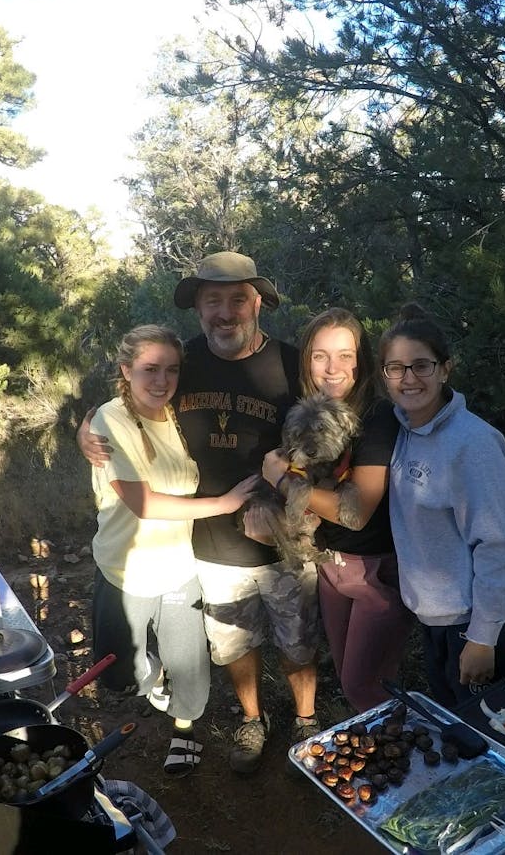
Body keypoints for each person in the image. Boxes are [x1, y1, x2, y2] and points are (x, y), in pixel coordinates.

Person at [78, 252, 320, 774]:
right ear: (198, 309)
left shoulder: (291, 364)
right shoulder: (185, 361)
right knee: (233, 644)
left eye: (237, 299)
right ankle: (252, 719)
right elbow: (135, 393)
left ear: (258, 303)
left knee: (297, 641)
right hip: (208, 547)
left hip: (284, 541)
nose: (225, 313)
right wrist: (86, 425)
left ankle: (306, 722)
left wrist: (294, 500)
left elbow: (324, 442)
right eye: (213, 301)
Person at [88, 324, 258, 776]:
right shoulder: (112, 420)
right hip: (125, 569)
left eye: (170, 370)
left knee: (190, 665)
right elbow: (142, 503)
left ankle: (184, 731)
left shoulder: (177, 412)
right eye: (148, 370)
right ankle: (152, 678)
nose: (161, 381)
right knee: (120, 672)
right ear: (125, 371)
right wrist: (224, 504)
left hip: (180, 567)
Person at [378, 304, 505, 709]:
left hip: (477, 624)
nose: (409, 378)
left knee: (499, 747)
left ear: (446, 369)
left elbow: (498, 545)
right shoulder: (404, 430)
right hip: (437, 620)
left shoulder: (473, 444)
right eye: (396, 367)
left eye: (422, 365)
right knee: (458, 731)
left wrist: (483, 637)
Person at [257, 308, 414, 713]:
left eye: (345, 355)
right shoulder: (304, 412)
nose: (333, 368)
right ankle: (371, 755)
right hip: (330, 565)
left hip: (375, 571)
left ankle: (399, 760)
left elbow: (355, 513)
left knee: (365, 685)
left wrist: (283, 480)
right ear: (305, 359)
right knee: (349, 677)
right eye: (320, 355)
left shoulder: (377, 417)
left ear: (361, 360)